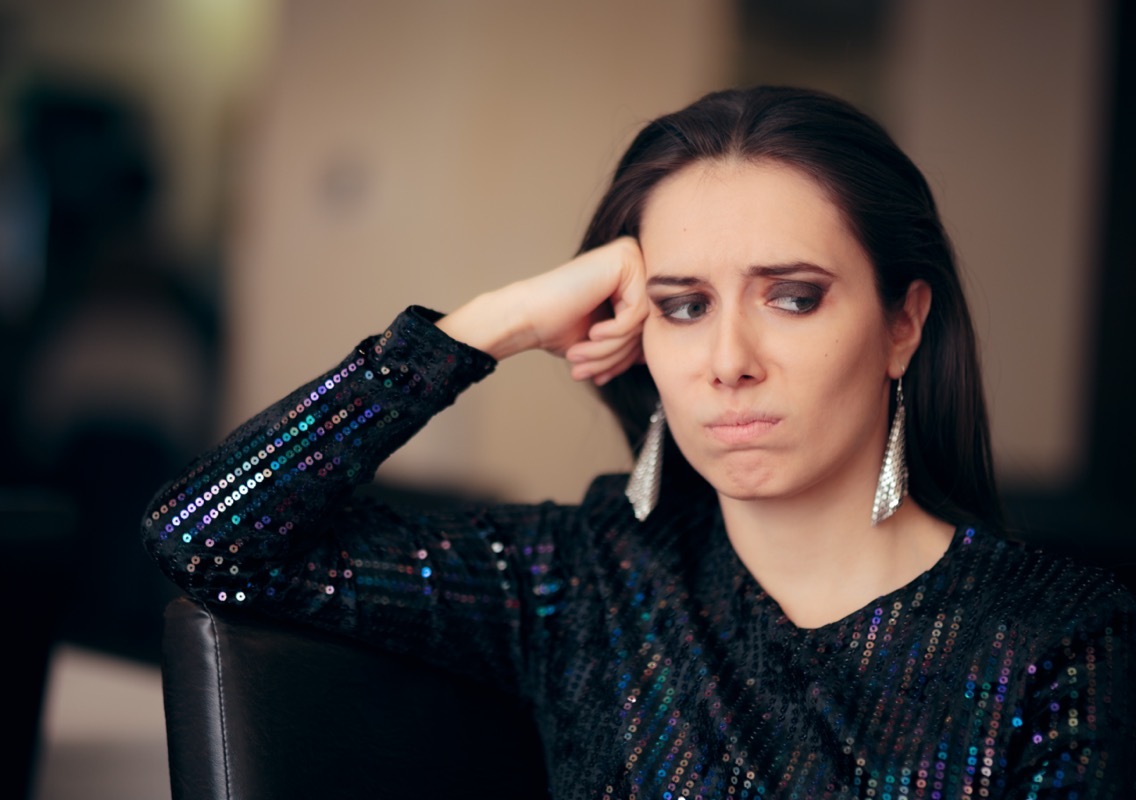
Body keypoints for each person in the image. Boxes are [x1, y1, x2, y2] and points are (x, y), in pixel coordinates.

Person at [143, 87, 1134, 798]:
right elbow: (210, 537)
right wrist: (487, 325)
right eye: (683, 305)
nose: (728, 360)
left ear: (902, 323)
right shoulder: (586, 577)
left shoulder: (1058, 638)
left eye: (793, 296)